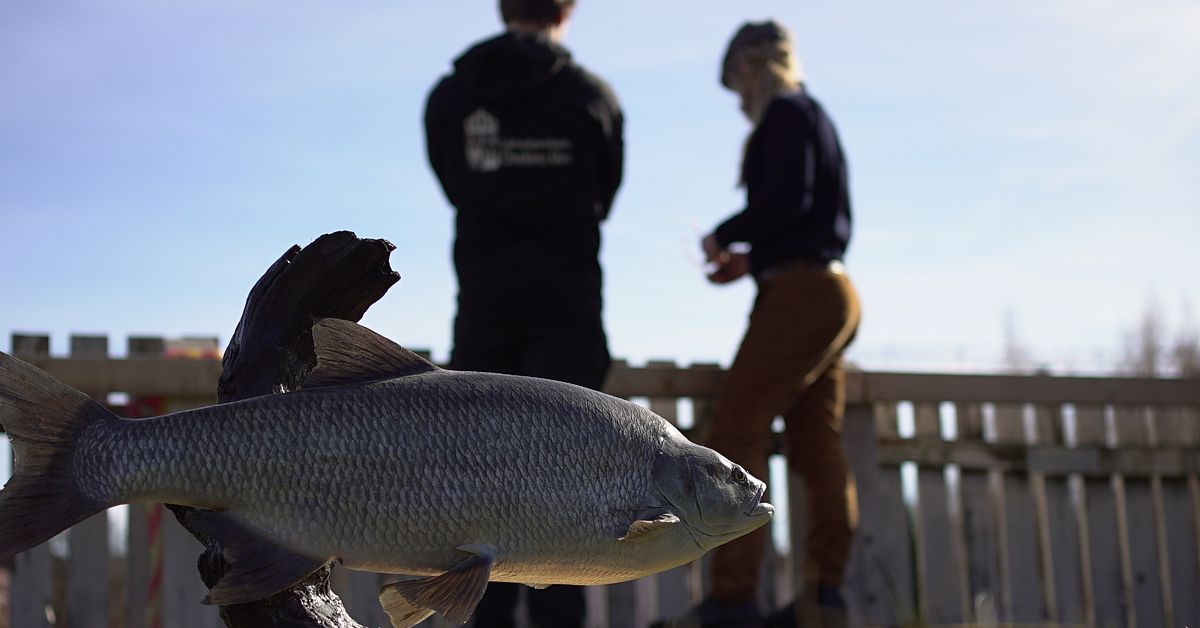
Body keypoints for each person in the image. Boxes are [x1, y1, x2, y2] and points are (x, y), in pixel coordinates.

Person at [422, 1, 623, 627]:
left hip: (486, 311)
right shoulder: (592, 97)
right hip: (567, 311)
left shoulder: (453, 96)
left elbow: (454, 183)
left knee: (482, 490)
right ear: (567, 11)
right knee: (572, 490)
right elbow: (604, 195)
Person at [660, 20, 862, 628]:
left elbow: (783, 203)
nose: (740, 101)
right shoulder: (815, 117)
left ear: (755, 67)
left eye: (738, 82)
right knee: (815, 443)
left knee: (737, 428)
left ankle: (733, 599)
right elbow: (803, 215)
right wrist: (753, 260)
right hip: (830, 288)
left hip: (801, 295)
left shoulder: (786, 115)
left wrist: (725, 233)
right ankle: (823, 599)